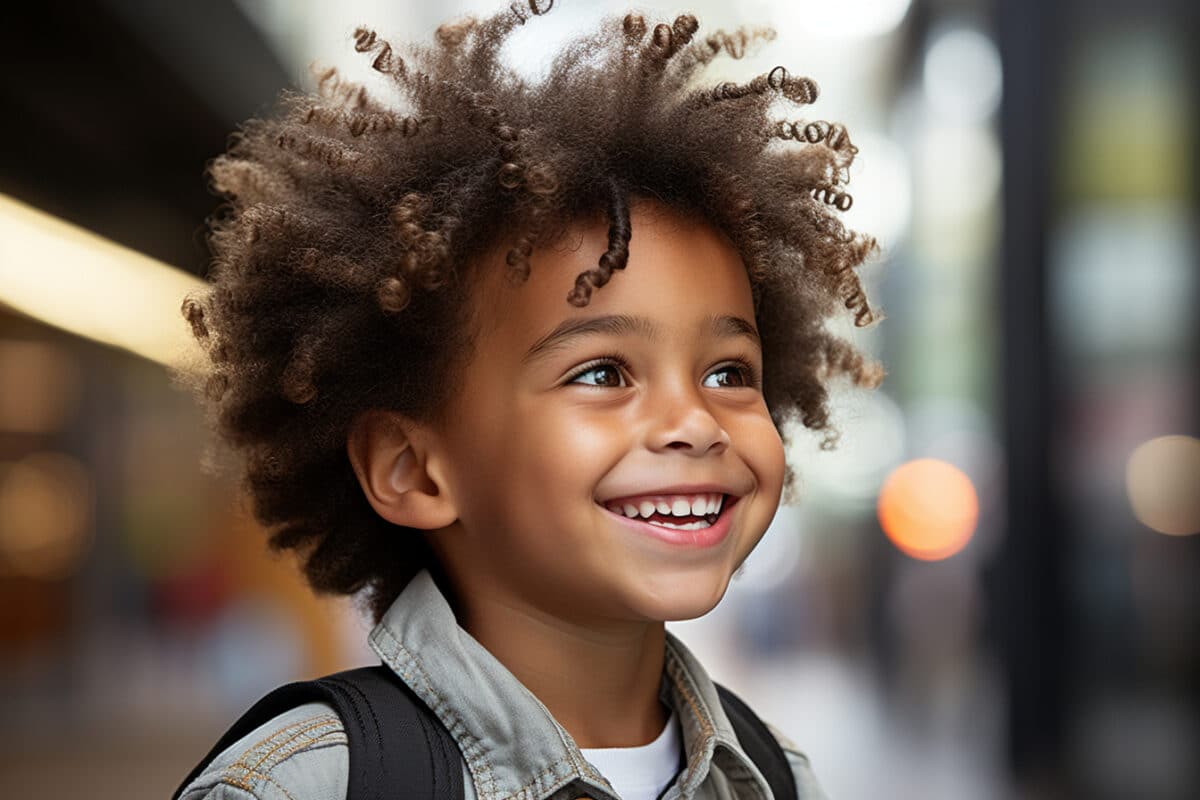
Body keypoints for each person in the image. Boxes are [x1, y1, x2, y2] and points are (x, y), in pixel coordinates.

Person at [174, 2, 883, 798]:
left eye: (727, 373)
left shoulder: (778, 776)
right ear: (413, 469)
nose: (694, 422)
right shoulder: (299, 787)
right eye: (604, 373)